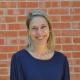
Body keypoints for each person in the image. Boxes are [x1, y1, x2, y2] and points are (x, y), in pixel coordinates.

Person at [10, 9, 70, 80]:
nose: (39, 33)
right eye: (34, 28)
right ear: (28, 32)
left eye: (43, 27)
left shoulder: (61, 60)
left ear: (49, 29)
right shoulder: (18, 59)